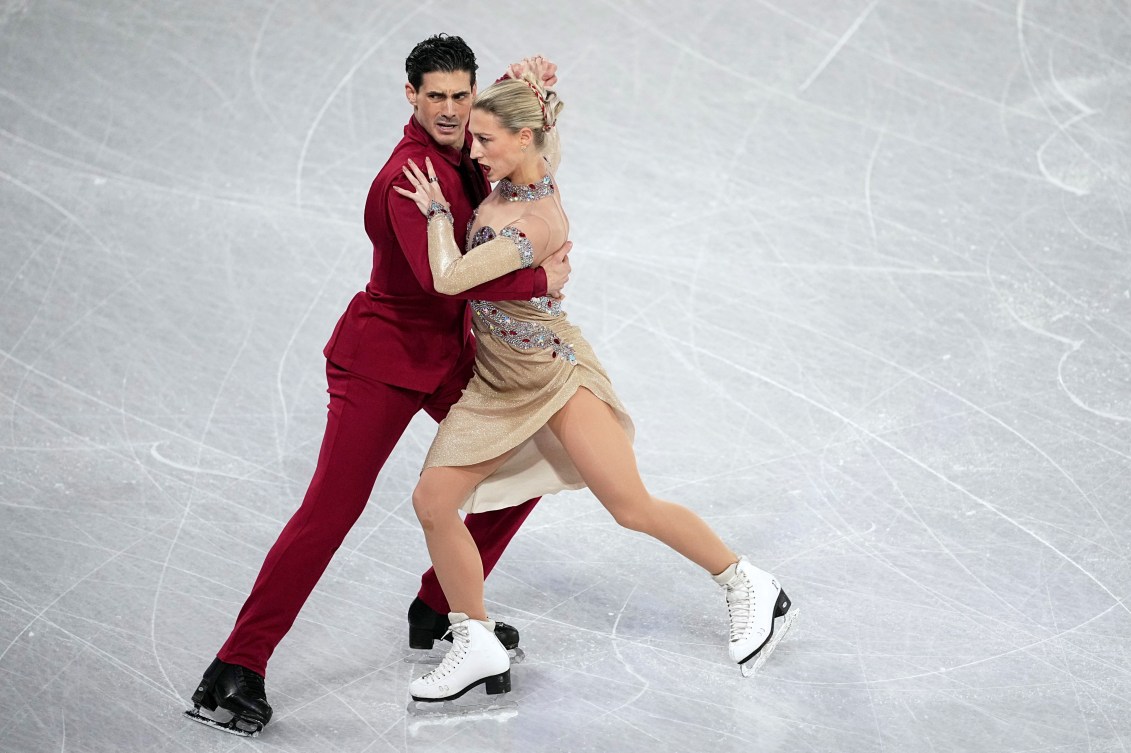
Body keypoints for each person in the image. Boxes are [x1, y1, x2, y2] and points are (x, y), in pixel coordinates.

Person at [184, 35, 571, 737]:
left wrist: (535, 95)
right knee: (330, 512)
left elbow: (523, 157)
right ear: (411, 97)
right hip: (380, 359)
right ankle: (235, 665)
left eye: (462, 95)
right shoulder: (407, 175)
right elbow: (442, 277)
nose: (451, 111)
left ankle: (439, 605)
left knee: (529, 459)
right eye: (436, 97)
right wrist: (540, 278)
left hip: (446, 353)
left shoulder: (471, 150)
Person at [394, 67, 796, 704]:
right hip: (497, 383)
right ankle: (474, 640)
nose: (473, 152)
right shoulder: (529, 156)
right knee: (434, 502)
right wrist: (518, 76)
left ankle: (747, 582)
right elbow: (527, 115)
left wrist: (439, 214)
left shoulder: (536, 223)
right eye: (473, 138)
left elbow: (449, 279)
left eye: (485, 141)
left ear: (523, 140)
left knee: (630, 507)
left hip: (554, 377)